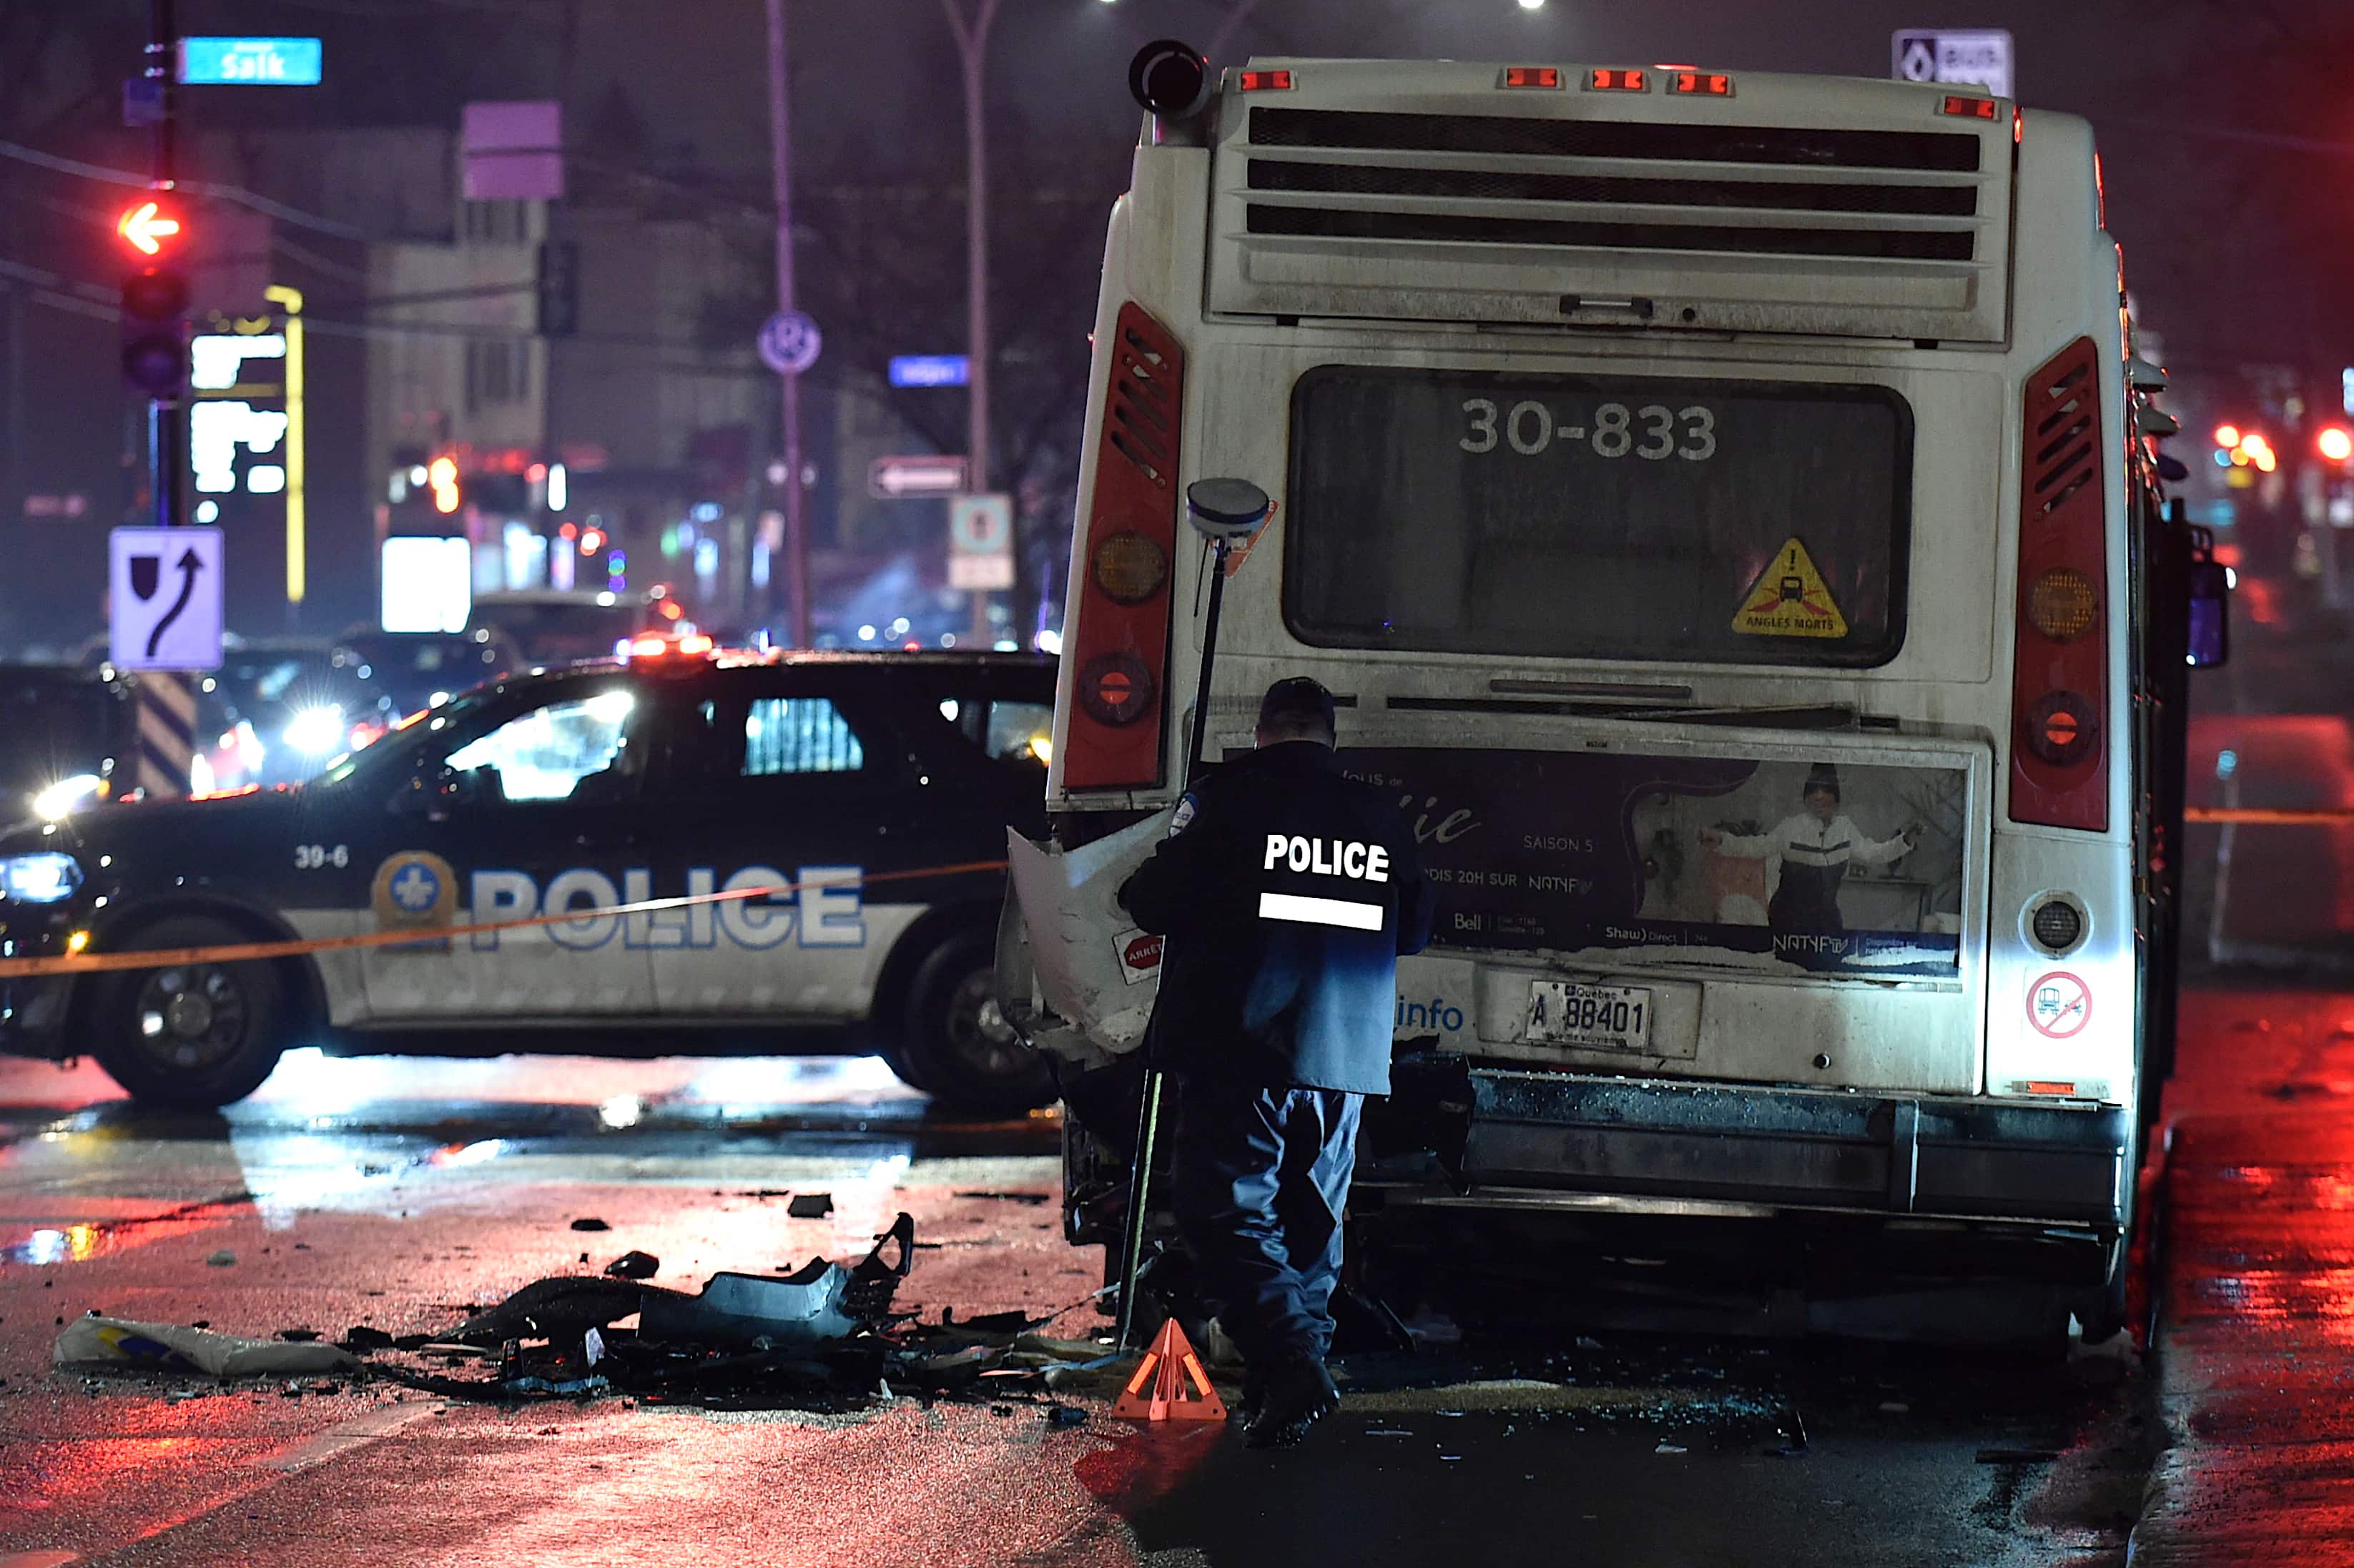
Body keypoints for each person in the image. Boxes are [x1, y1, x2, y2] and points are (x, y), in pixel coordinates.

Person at [1118, 675, 1433, 1449]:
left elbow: (1147, 899)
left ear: (1262, 733)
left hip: (1245, 1044)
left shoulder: (1229, 801)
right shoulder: (1380, 816)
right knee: (1310, 1223)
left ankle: (1290, 1365)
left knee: (1222, 1211)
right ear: (1328, 737)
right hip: (1344, 1055)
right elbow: (1415, 930)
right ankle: (1288, 1387)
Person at [1698, 761, 1919, 933]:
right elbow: (1755, 847)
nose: (1819, 803)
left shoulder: (1845, 829)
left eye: (1826, 798)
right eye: (1814, 799)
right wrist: (1720, 840)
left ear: (1837, 801)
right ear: (1806, 801)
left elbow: (1874, 854)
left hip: (1826, 921)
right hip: (1787, 919)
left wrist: (1906, 841)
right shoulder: (1791, 827)